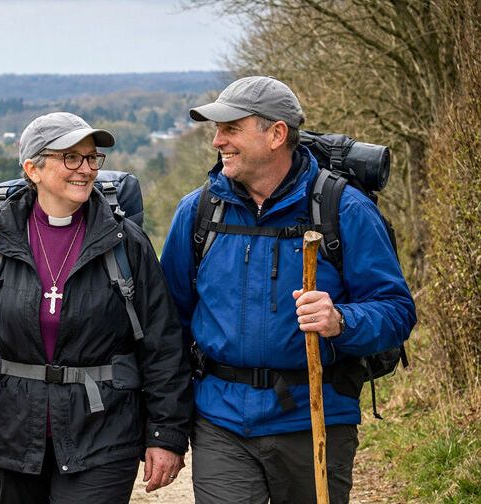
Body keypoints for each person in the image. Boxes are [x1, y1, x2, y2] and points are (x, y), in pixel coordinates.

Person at [160, 76, 417, 504]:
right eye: (217, 130)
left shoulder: (343, 210)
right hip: (221, 422)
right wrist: (166, 425)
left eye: (231, 129)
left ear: (277, 133)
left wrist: (341, 321)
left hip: (314, 420)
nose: (217, 141)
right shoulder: (199, 212)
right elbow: (168, 323)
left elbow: (397, 310)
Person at [0, 112, 192, 503]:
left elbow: (163, 343)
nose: (86, 169)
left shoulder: (125, 243)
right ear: (33, 168)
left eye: (91, 158)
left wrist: (166, 435)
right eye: (71, 158)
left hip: (101, 431)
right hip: (8, 431)